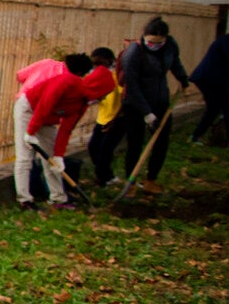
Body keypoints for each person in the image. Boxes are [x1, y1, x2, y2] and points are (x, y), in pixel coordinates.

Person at [13, 53, 114, 209]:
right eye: (104, 94)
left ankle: (58, 198)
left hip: (46, 119)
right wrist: (31, 132)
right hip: (28, 109)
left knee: (52, 159)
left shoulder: (82, 103)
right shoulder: (66, 82)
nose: (103, 98)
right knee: (25, 157)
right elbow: (45, 105)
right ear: (98, 88)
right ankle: (24, 200)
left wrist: (59, 156)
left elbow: (66, 130)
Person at [118, 17, 189, 194]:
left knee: (161, 142)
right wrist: (147, 114)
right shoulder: (134, 52)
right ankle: (131, 183)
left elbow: (175, 63)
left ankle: (151, 179)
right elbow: (132, 86)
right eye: (150, 41)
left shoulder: (170, 45)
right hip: (135, 103)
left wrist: (183, 79)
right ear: (143, 36)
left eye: (158, 42)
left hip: (160, 100)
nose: (154, 45)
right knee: (135, 143)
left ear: (165, 38)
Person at [188, 23, 229, 148]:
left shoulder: (228, 41)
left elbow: (224, 63)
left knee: (214, 108)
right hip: (212, 80)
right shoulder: (228, 41)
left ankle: (195, 136)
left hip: (210, 79)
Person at [86, 45, 127, 187]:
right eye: (94, 64)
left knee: (105, 150)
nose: (97, 67)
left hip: (117, 119)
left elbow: (124, 97)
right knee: (93, 147)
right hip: (102, 118)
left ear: (109, 61)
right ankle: (106, 175)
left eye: (100, 63)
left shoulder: (117, 75)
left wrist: (115, 118)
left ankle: (102, 179)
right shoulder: (97, 75)